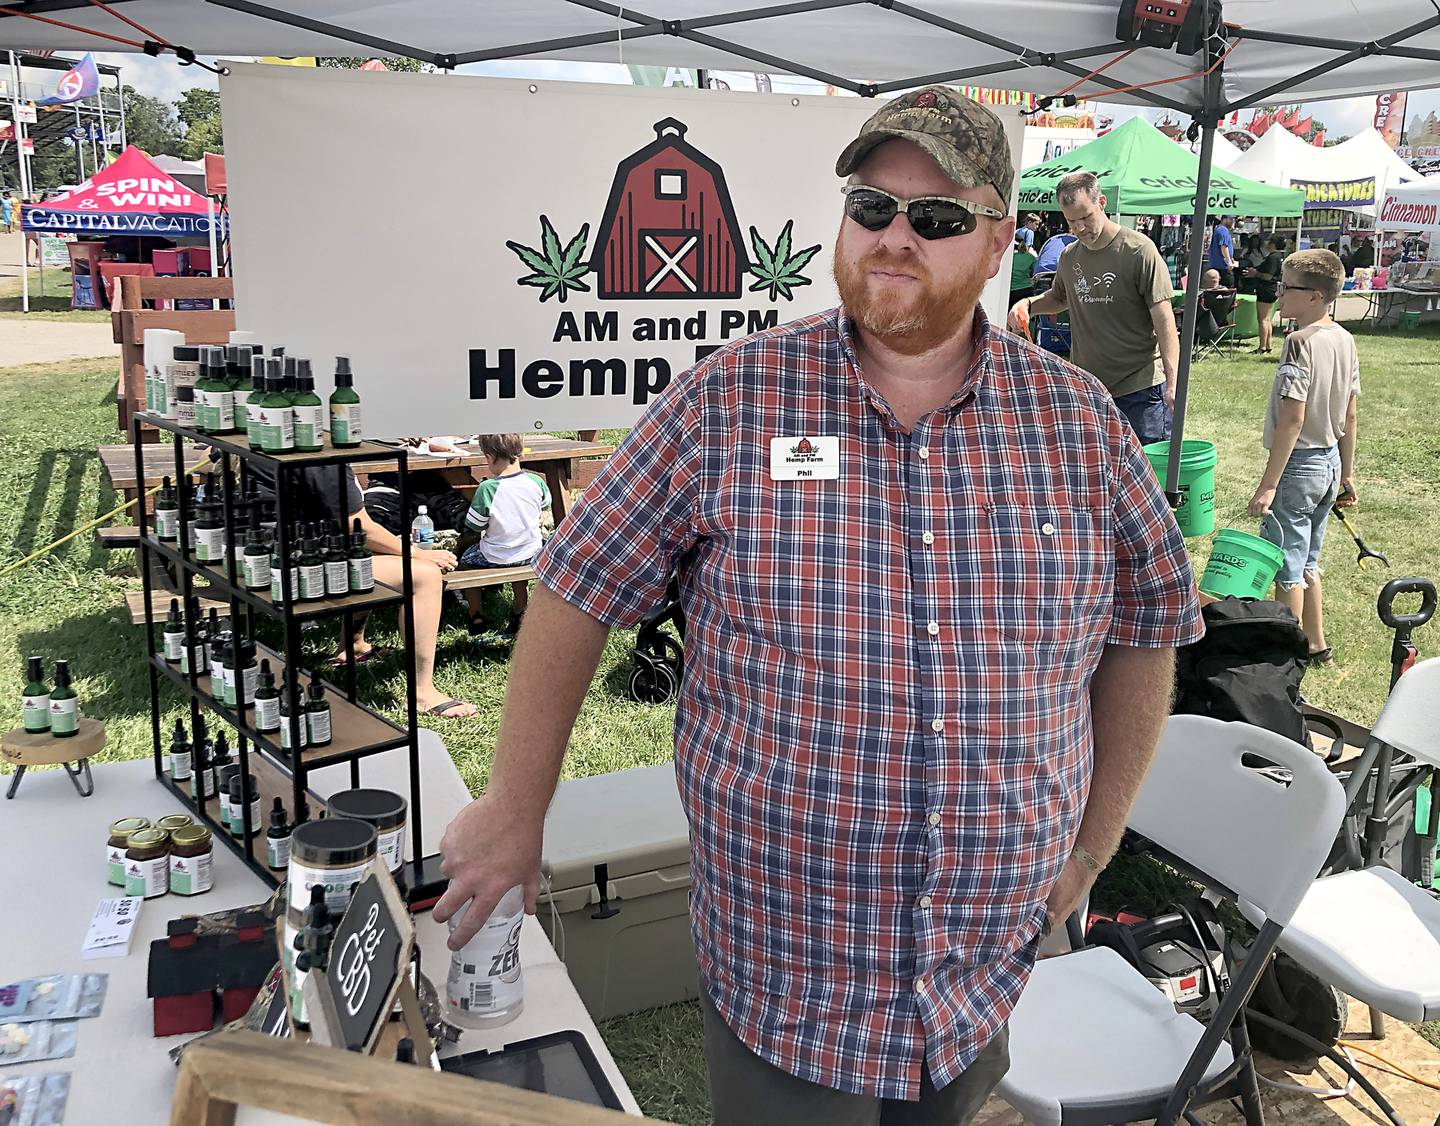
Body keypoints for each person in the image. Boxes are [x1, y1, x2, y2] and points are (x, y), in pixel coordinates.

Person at [436, 87, 1202, 1126]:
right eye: (871, 206)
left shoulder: (1076, 424)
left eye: (935, 219)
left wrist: (1093, 845)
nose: (894, 237)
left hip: (980, 975)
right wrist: (515, 808)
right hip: (790, 980)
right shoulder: (732, 399)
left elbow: (1149, 625)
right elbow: (576, 585)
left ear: (997, 246)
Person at [249, 462, 478, 718]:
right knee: (424, 576)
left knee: (366, 553)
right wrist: (417, 554)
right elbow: (357, 525)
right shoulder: (320, 458)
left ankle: (353, 645)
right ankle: (422, 693)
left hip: (252, 559)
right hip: (289, 568)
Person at [1008, 171, 1180, 445]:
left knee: (1148, 480)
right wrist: (1029, 304)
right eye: (1070, 221)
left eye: (1085, 217)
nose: (1078, 228)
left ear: (1101, 202)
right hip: (1090, 390)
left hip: (1141, 390)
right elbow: (1061, 297)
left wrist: (1173, 383)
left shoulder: (1139, 250)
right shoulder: (1069, 256)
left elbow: (1164, 320)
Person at [1247, 249, 1358, 667]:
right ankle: (1316, 644)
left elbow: (1292, 419)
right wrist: (1346, 473)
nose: (1279, 294)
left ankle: (1284, 660)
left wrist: (1269, 483)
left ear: (1314, 296)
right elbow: (1349, 413)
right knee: (1309, 561)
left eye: (1286, 287)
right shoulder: (1344, 338)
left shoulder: (1298, 342)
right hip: (1328, 463)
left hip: (1300, 466)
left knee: (1285, 565)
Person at [456, 432, 550, 636]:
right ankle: (520, 610)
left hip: (495, 555)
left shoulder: (487, 488)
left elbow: (475, 525)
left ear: (489, 457)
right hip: (530, 553)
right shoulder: (536, 481)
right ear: (520, 453)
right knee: (520, 561)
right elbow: (546, 503)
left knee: (466, 562)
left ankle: (476, 614)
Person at [1244, 236, 1285, 354]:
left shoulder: (1273, 257)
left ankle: (1262, 347)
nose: (1265, 242)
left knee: (1262, 319)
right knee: (1267, 319)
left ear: (1273, 244)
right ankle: (1268, 345)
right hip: (1271, 290)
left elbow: (1268, 276)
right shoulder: (1277, 256)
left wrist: (1255, 273)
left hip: (1266, 289)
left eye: (1268, 241)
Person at [1008, 232, 1037, 310]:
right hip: (1026, 290)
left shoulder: (1008, 258)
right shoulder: (1031, 257)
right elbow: (1034, 274)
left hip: (1010, 291)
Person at [1207, 214, 1236, 288]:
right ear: (1224, 219)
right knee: (1228, 289)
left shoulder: (1218, 229)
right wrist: (1229, 261)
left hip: (1216, 266)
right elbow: (1223, 247)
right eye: (1231, 219)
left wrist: (1230, 258)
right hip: (1222, 267)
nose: (1233, 221)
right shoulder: (1223, 230)